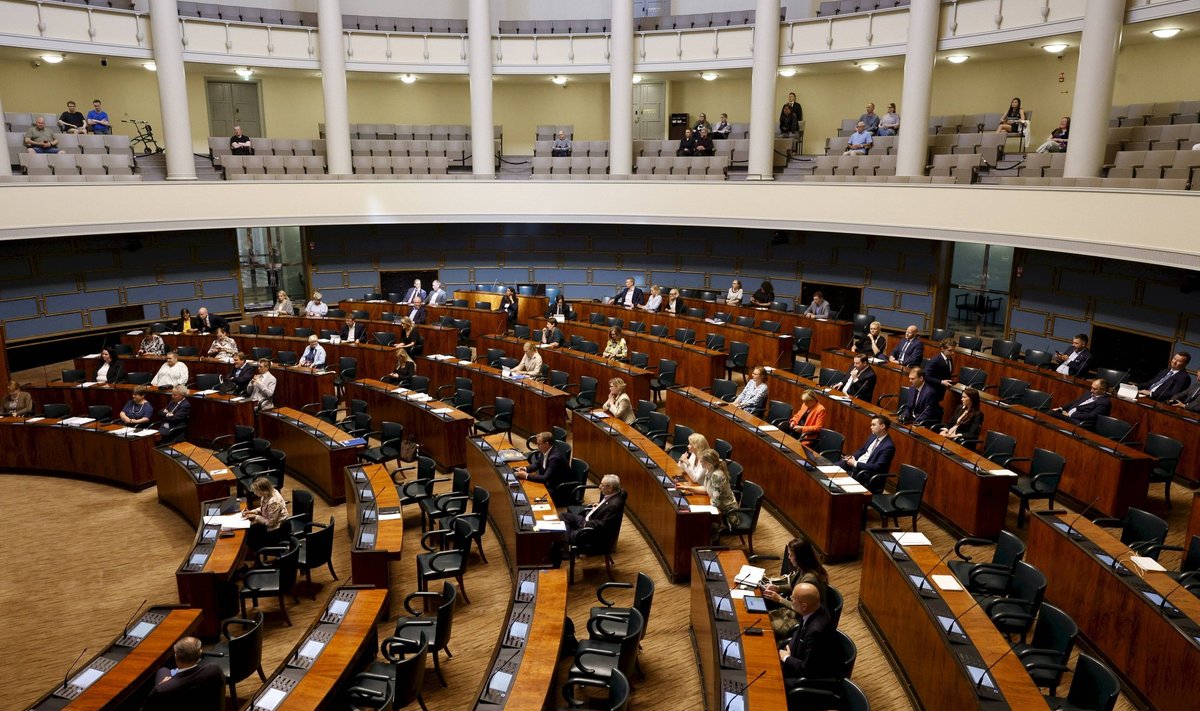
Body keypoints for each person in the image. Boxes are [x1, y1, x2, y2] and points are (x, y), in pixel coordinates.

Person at [762, 536, 830, 639]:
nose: (788, 557)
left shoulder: (810, 580)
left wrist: (779, 599)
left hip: (799, 619)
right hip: (792, 611)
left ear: (799, 557)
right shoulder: (804, 568)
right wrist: (778, 588)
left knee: (764, 626)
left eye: (790, 555)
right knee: (762, 617)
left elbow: (803, 609)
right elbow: (794, 585)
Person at [778, 583, 844, 682]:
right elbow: (801, 633)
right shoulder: (814, 609)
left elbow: (808, 669)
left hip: (805, 678)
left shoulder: (816, 632)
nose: (791, 598)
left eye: (793, 597)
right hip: (795, 657)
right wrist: (789, 648)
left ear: (804, 606)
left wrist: (787, 658)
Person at [143, 636, 225, 711]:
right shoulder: (213, 670)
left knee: (162, 671)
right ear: (200, 654)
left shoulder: (162, 689)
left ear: (176, 656)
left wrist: (161, 685)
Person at [678, 449, 738, 531]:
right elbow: (706, 489)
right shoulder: (710, 470)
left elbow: (715, 502)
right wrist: (686, 488)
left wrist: (703, 508)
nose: (700, 462)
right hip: (717, 505)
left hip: (726, 513)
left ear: (709, 464)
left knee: (697, 520)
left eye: (702, 461)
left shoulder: (717, 476)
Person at [560, 474, 626, 542]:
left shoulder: (614, 505)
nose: (599, 487)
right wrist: (600, 505)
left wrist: (586, 524)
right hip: (588, 518)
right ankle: (565, 536)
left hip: (591, 529)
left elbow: (604, 524)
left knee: (567, 535)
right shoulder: (615, 492)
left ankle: (566, 540)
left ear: (610, 488)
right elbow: (606, 505)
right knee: (563, 515)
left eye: (602, 485)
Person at [516, 431, 573, 506]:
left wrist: (526, 475)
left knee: (532, 496)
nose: (537, 446)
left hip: (558, 489)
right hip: (550, 482)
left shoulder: (555, 458)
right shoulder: (546, 450)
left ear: (547, 444)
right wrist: (525, 469)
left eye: (539, 444)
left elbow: (545, 478)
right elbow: (537, 464)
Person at [840, 415, 896, 487]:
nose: (871, 427)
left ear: (882, 426)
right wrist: (852, 457)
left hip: (867, 474)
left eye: (873, 425)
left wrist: (856, 463)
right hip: (858, 466)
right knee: (837, 466)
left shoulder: (888, 447)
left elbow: (877, 467)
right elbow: (862, 450)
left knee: (841, 480)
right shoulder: (873, 436)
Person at [242, 475, 289, 550]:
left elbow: (270, 523)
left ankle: (256, 552)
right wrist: (252, 511)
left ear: (264, 491)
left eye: (256, 492)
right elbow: (264, 508)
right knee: (250, 530)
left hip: (277, 528)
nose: (254, 493)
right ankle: (251, 552)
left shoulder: (274, 502)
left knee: (252, 535)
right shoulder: (268, 493)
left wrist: (256, 517)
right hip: (269, 521)